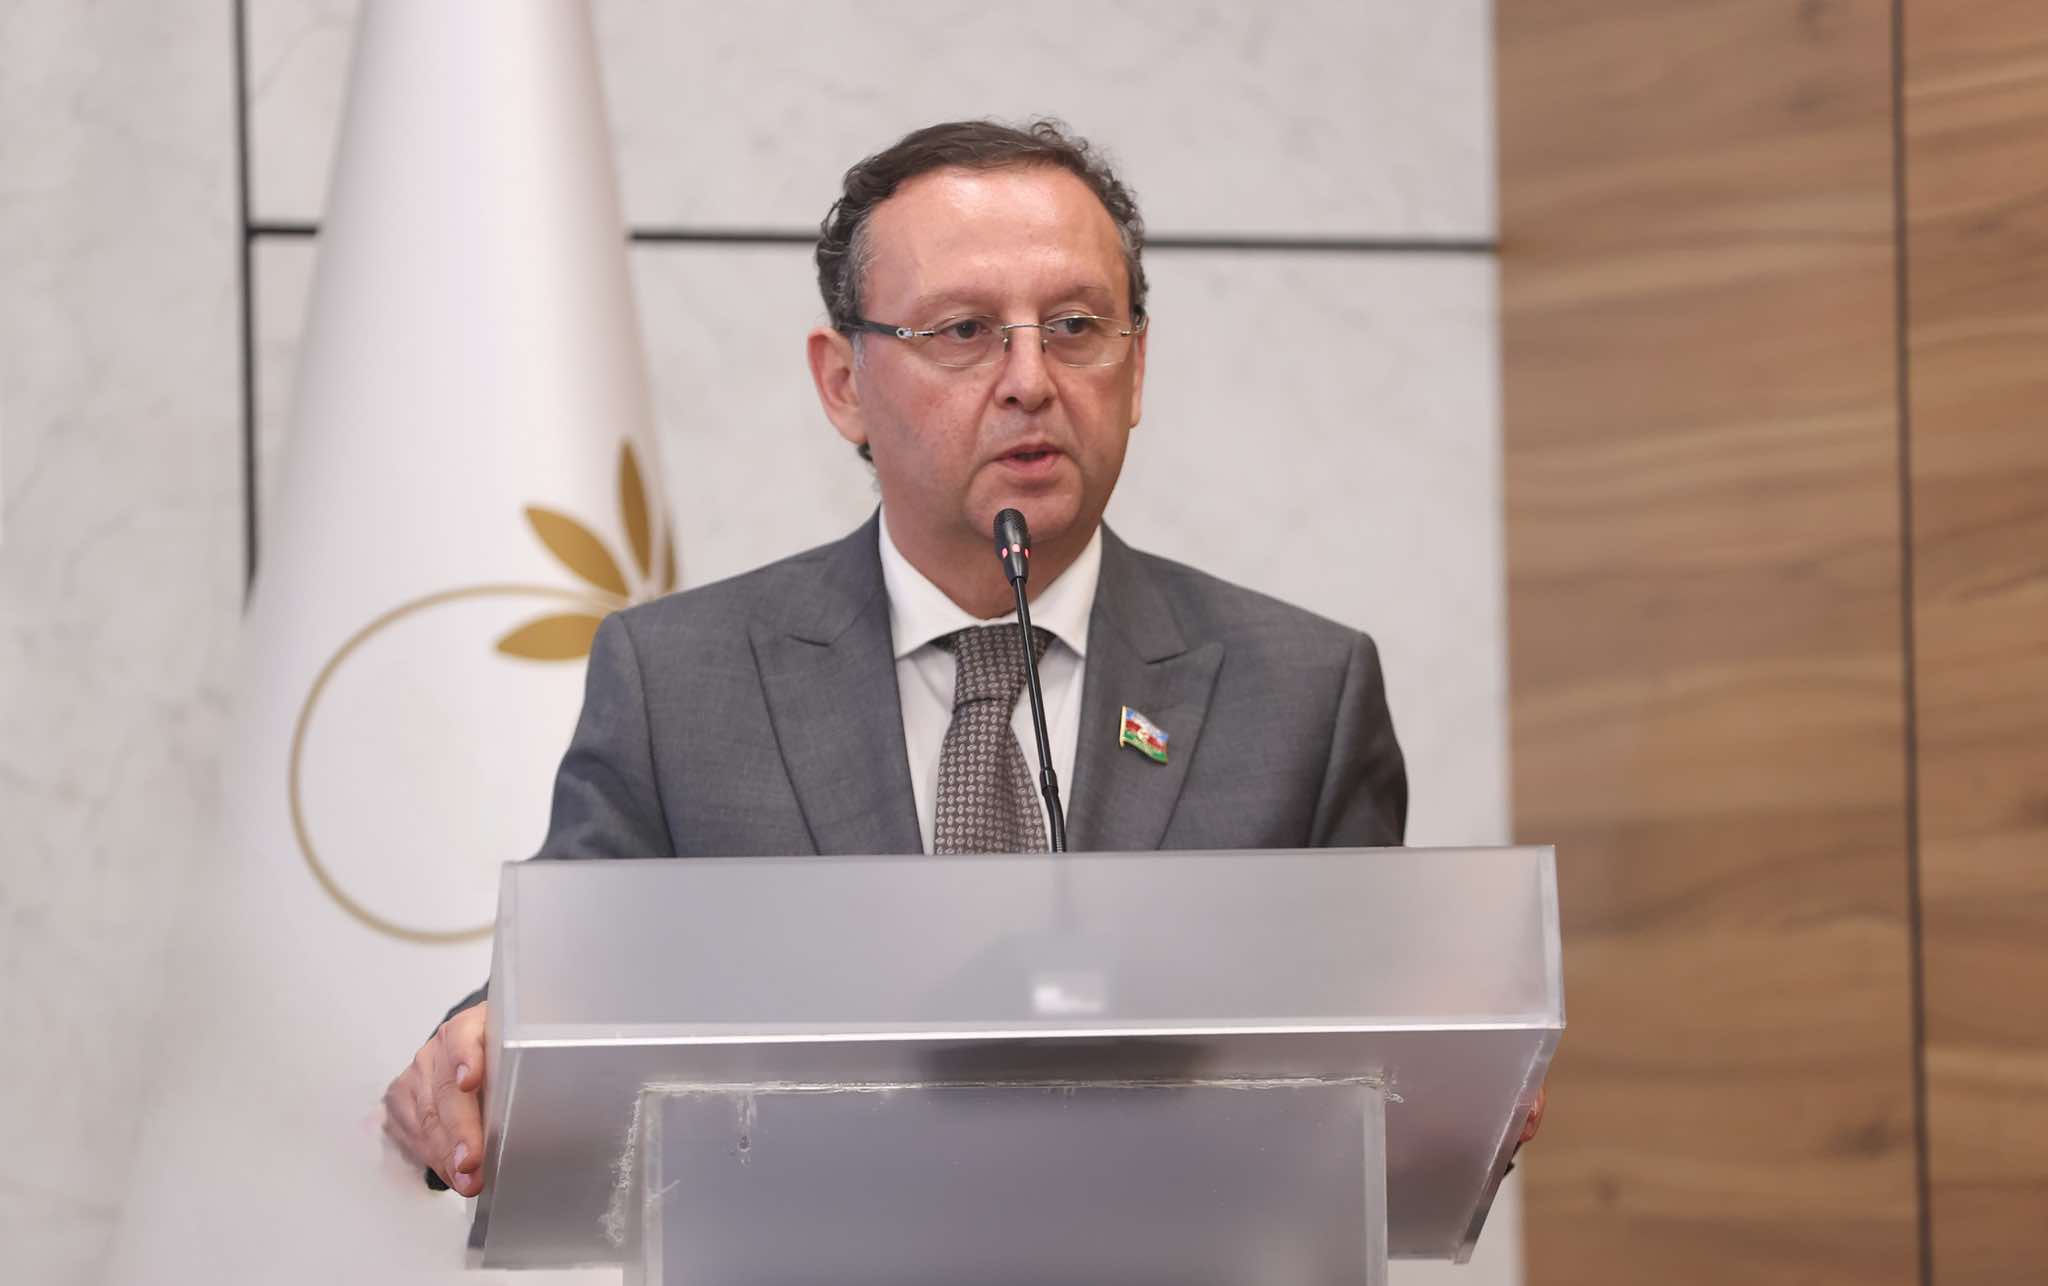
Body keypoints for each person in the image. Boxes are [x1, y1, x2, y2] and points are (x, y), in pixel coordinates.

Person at [383, 119, 1463, 1199]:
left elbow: (1386, 1073)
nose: (1030, 379)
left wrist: (1455, 1089)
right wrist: (476, 1052)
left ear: (1135, 368)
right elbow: (565, 992)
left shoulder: (1302, 695)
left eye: (1076, 326)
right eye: (963, 331)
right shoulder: (681, 684)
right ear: (842, 382)